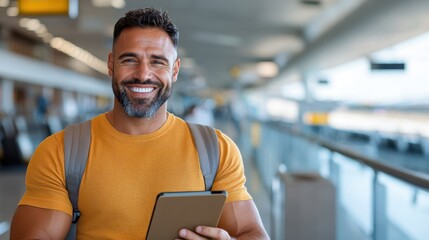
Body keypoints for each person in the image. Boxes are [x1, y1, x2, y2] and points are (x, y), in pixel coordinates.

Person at [10, 8, 269, 240]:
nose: (143, 74)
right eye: (129, 60)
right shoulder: (61, 152)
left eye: (157, 61)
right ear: (111, 64)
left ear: (175, 70)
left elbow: (252, 233)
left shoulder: (216, 150)